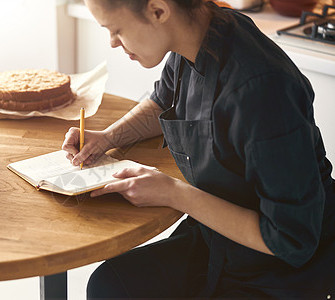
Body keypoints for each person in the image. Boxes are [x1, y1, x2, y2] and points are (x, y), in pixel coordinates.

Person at [62, 0, 335, 298]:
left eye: (116, 30)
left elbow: (291, 239)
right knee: (109, 285)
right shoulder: (197, 33)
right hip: (217, 240)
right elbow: (164, 101)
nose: (113, 43)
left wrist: (173, 192)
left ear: (158, 10)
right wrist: (108, 137)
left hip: (284, 266)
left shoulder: (260, 90)